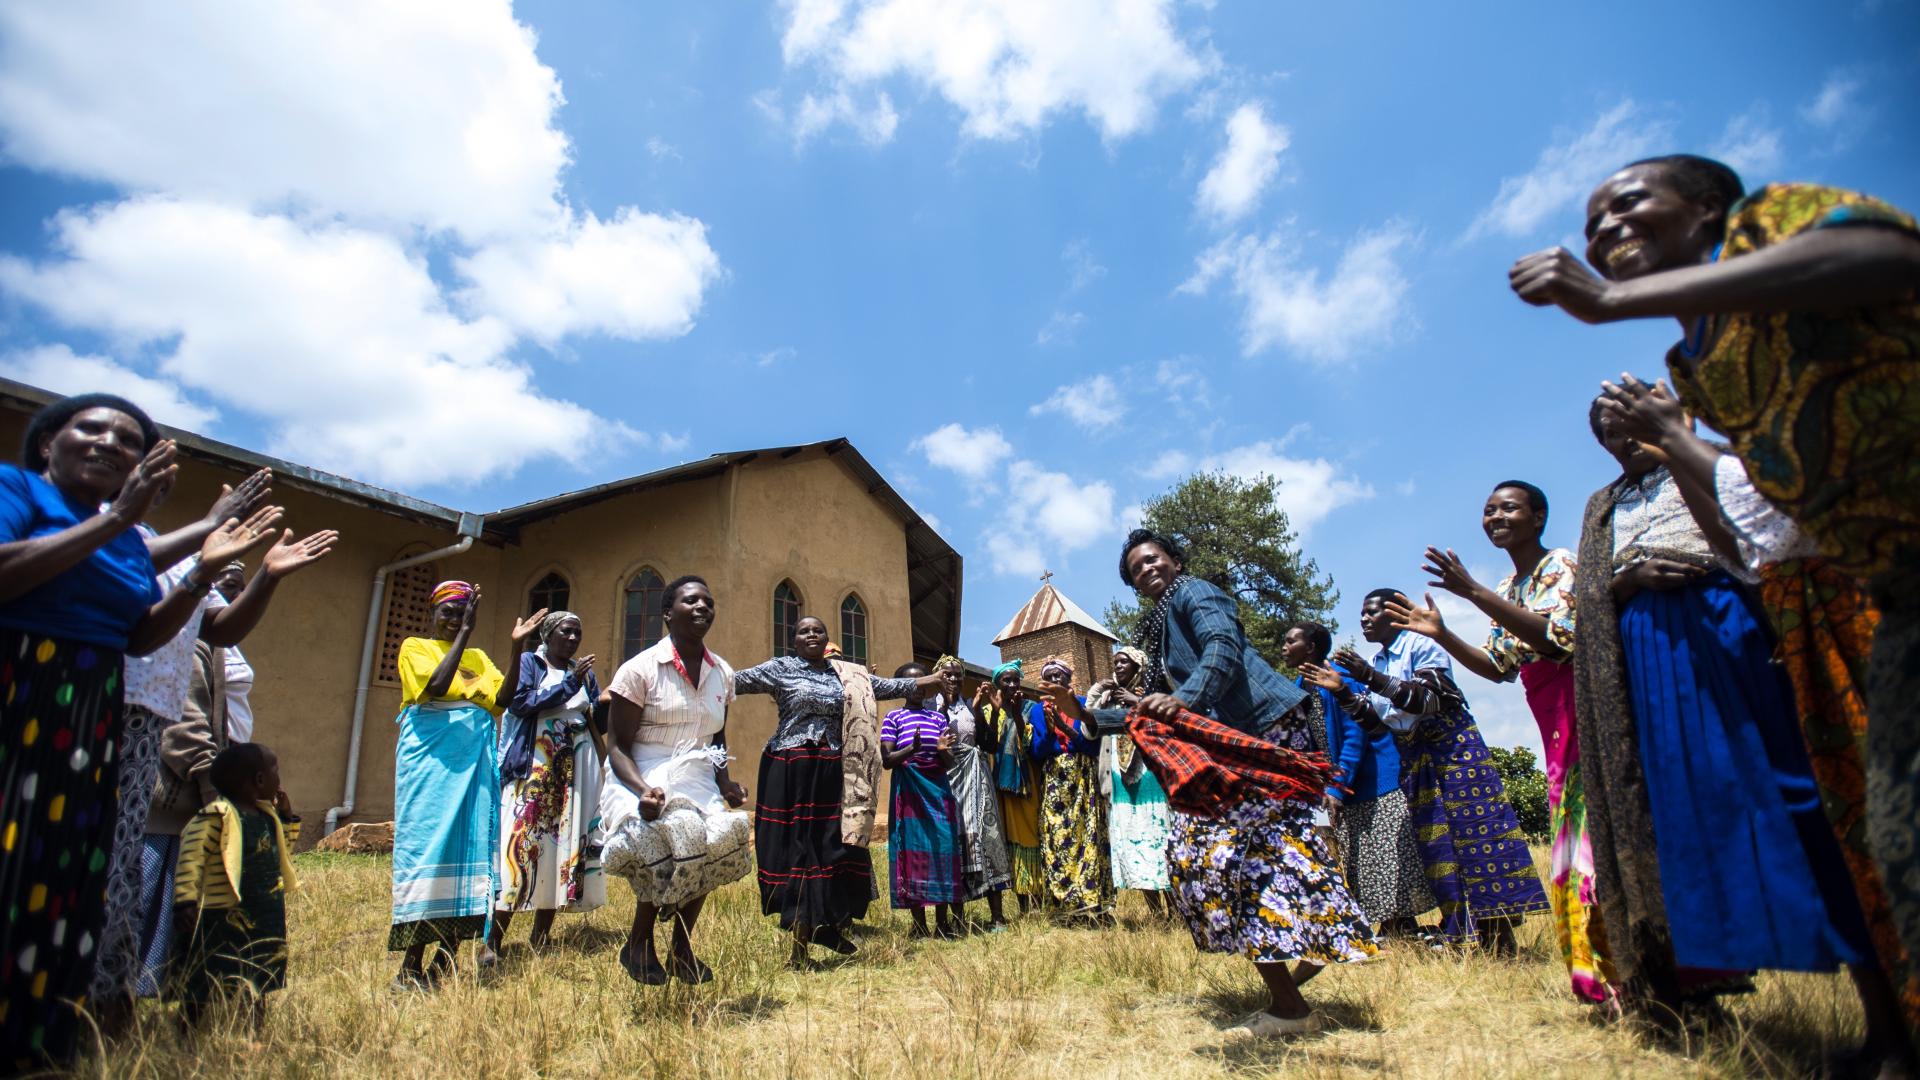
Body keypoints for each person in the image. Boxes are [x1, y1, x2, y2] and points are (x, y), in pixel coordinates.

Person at [1510, 153, 1920, 990]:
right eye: (1590, 228)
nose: (1605, 232)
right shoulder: (1699, 360)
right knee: (1882, 831)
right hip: (1868, 591)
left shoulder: (1774, 216)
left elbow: (1891, 257)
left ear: (1705, 208)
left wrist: (1610, 302)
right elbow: (1753, 532)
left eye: (1628, 205)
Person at [1569, 401, 1886, 1032]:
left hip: (1731, 629)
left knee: (1797, 793)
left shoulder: (1723, 465)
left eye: (1631, 421)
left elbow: (1758, 545)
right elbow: (1587, 597)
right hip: (1644, 659)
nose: (1621, 436)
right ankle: (1677, 995)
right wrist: (1627, 582)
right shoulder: (1604, 505)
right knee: (1674, 814)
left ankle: (1882, 1005)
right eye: (1607, 431)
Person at [0, 393, 265, 1069]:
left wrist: (205, 568)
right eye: (89, 428)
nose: (108, 443)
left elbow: (145, 636)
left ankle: (40, 1037)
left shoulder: (125, 542)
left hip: (90, 705)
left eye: (128, 441)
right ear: (46, 441)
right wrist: (126, 516)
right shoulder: (19, 491)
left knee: (66, 869)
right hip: (20, 685)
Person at [1102, 529, 1376, 1037]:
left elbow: (1222, 647)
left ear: (1175, 560)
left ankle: (1292, 1004)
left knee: (1211, 855)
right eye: (1137, 569)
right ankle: (1311, 952)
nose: (1148, 570)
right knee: (1259, 855)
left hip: (1264, 729)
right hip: (1244, 737)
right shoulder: (1161, 625)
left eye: (1153, 559)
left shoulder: (1194, 592)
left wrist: (1185, 698)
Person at [99, 501, 335, 1027]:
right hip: (179, 792)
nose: (229, 589)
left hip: (211, 784)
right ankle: (124, 1004)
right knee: (157, 898)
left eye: (237, 580)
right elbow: (184, 723)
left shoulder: (214, 639)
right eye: (221, 578)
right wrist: (216, 789)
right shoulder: (181, 639)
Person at [1379, 483, 1612, 1002]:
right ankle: (1596, 976)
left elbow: (1557, 639)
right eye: (1488, 510)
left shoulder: (1561, 566)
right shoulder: (1509, 585)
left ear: (1539, 516)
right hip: (1549, 715)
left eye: (1508, 508)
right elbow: (1496, 668)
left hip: (1585, 704)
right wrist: (1442, 634)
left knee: (1592, 835)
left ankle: (1623, 966)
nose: (1495, 517)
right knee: (1572, 839)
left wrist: (1470, 592)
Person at [1331, 590, 1550, 953]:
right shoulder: (1379, 660)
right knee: (1439, 847)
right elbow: (1378, 727)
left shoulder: (1421, 645)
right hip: (1416, 758)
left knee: (1476, 840)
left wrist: (1369, 676)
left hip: (1453, 752)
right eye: (1362, 614)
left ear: (1394, 614)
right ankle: (1462, 934)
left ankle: (1499, 938)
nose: (1364, 620)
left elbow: (1429, 700)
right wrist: (1343, 692)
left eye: (1371, 613)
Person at [735, 615, 944, 965]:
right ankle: (802, 943)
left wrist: (931, 680)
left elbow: (886, 686)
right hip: (791, 768)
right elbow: (735, 682)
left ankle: (826, 922)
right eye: (804, 630)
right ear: (794, 640)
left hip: (833, 767)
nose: (812, 634)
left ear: (826, 637)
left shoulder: (845, 674)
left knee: (832, 846)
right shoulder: (780, 668)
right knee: (798, 851)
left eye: (818, 630)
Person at [600, 576, 751, 985]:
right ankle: (638, 940)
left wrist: (725, 783)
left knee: (721, 839)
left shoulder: (722, 672)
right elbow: (616, 747)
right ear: (668, 613)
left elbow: (716, 736)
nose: (703, 606)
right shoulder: (639, 669)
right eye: (691, 600)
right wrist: (642, 791)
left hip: (699, 772)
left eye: (708, 600)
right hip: (644, 770)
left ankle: (682, 947)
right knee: (679, 831)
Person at [390, 583, 540, 989]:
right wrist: (465, 633)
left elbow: (502, 700)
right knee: (431, 849)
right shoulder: (414, 647)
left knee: (472, 849)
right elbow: (436, 687)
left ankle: (445, 960)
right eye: (449, 612)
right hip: (432, 763)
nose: (455, 620)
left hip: (474, 763)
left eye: (462, 613)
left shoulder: (478, 658)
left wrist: (515, 651)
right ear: (432, 612)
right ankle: (409, 967)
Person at [1286, 623, 1435, 938]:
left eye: (1291, 641)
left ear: (1311, 647)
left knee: (1383, 854)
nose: (1284, 646)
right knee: (1360, 858)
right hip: (1340, 783)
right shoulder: (1302, 685)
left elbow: (1356, 734)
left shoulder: (1340, 677)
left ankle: (1401, 928)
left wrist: (1338, 785)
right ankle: (1391, 929)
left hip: (1371, 779)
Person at [488, 610, 607, 960]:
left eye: (577, 634)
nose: (572, 640)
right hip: (536, 769)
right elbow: (520, 703)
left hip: (575, 772)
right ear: (549, 634)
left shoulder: (581, 674)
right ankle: (493, 939)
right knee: (521, 845)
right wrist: (570, 685)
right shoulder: (531, 663)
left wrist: (613, 701)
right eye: (566, 632)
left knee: (562, 848)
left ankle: (541, 936)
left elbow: (595, 717)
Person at [170, 742, 299, 1029]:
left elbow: (281, 852)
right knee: (206, 972)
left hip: (264, 913)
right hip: (222, 914)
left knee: (260, 970)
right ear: (260, 780)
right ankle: (187, 1024)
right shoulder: (215, 816)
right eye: (275, 768)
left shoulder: (267, 817)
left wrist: (288, 819)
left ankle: (254, 1029)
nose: (280, 776)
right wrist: (185, 900)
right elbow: (191, 857)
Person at [881, 662, 965, 938]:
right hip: (909, 788)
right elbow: (887, 760)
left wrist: (942, 750)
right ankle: (919, 925)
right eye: (909, 684)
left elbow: (950, 762)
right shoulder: (893, 718)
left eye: (922, 683)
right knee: (913, 851)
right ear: (901, 688)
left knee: (943, 848)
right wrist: (911, 749)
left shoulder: (938, 718)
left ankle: (942, 923)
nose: (917, 689)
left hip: (938, 787)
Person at [1028, 658, 1113, 925]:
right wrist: (1052, 732)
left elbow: (1093, 747)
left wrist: (1068, 730)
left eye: (1059, 676)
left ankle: (1093, 906)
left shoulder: (1084, 705)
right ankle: (1064, 908)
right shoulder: (1037, 711)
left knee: (1088, 837)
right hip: (1055, 780)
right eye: (1049, 676)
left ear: (1069, 680)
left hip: (1083, 777)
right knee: (1057, 838)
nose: (1055, 681)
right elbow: (1037, 753)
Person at [1089, 646, 1172, 918]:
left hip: (1149, 778)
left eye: (1125, 662)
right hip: (1121, 780)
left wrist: (1136, 701)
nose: (1119, 666)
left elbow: (1166, 727)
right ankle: (1155, 912)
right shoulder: (1109, 700)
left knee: (1157, 837)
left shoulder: (1153, 696)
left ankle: (1176, 909)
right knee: (1134, 838)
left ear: (1138, 667)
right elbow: (1088, 729)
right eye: (1116, 662)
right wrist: (1100, 695)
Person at [936, 656, 1011, 930]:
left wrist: (983, 709)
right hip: (949, 778)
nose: (954, 679)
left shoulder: (968, 707)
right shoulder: (932, 706)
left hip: (977, 778)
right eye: (947, 674)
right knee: (955, 841)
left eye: (958, 675)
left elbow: (989, 744)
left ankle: (998, 916)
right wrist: (943, 703)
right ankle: (957, 919)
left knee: (986, 837)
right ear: (937, 677)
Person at [980, 659, 1044, 914]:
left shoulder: (1031, 708)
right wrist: (997, 711)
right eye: (1006, 680)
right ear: (998, 684)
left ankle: (1036, 901)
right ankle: (1021, 903)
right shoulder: (988, 711)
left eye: (1015, 680)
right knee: (1006, 841)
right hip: (999, 783)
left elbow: (1031, 745)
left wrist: (1017, 713)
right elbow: (990, 745)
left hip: (1025, 782)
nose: (1011, 684)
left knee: (1028, 837)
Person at [210, 561, 254, 742]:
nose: (239, 597)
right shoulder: (196, 639)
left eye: (243, 590)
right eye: (230, 586)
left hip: (230, 750)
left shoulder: (226, 642)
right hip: (208, 751)